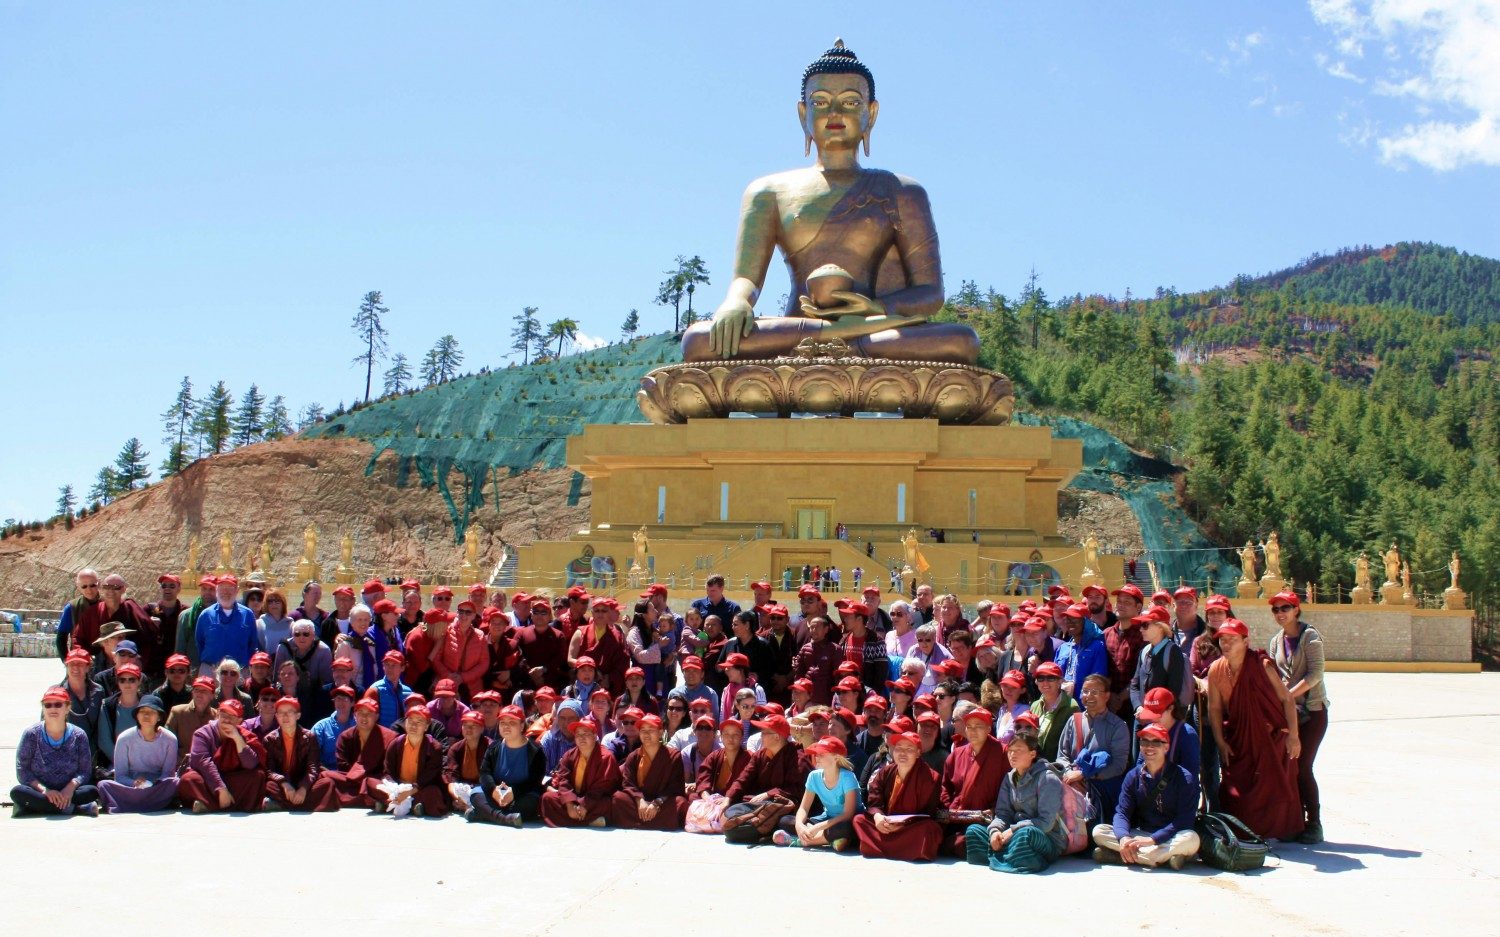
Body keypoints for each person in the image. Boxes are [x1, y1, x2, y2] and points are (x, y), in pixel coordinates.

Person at [1207, 618, 1304, 841]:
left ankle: (1279, 831)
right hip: (1240, 737)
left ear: (1246, 641)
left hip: (1270, 737)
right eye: (1222, 639)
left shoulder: (1261, 665)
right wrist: (1221, 742)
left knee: (1273, 786)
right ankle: (1243, 831)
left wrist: (1294, 736)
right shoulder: (1216, 669)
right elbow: (1214, 709)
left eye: (1232, 639)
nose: (1226, 644)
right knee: (1235, 788)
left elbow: (1287, 700)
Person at [1265, 591, 1327, 844]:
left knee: (1303, 767)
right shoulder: (1276, 641)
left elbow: (1316, 674)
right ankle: (1293, 821)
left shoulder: (1310, 636)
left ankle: (1314, 822)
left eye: (1285, 608)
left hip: (1312, 711)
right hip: (1287, 713)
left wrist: (1288, 695)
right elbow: (1273, 675)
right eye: (1276, 609)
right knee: (1287, 768)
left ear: (1296, 610)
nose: (1281, 613)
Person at [1092, 723, 1200, 868]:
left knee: (1192, 839)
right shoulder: (1133, 776)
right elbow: (1122, 813)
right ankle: (1161, 858)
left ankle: (1126, 856)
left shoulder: (1184, 778)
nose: (1149, 747)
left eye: (1156, 742)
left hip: (1170, 837)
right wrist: (1124, 838)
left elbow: (1184, 820)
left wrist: (1153, 840)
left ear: (1166, 747)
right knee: (1099, 831)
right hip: (1141, 834)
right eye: (1144, 742)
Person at [964, 731, 1067, 874]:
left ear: (1032, 754)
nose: (1012, 755)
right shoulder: (1009, 778)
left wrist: (1013, 830)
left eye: (1018, 750)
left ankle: (1003, 856)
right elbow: (1003, 814)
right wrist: (995, 832)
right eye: (1010, 751)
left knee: (1026, 835)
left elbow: (1046, 823)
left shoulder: (1047, 779)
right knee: (973, 831)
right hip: (1013, 835)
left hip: (1044, 838)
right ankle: (1014, 856)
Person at [854, 730, 944, 860]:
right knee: (859, 820)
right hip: (885, 825)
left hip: (910, 828)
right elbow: (874, 800)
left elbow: (928, 813)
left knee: (930, 829)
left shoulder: (931, 777)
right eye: (899, 748)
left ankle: (879, 848)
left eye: (909, 749)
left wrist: (900, 825)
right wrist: (878, 816)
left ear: (918, 753)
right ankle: (905, 851)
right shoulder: (884, 772)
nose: (902, 753)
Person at [1053, 674, 1131, 823]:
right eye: (1085, 691)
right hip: (1072, 787)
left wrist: (1084, 775)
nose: (1089, 696)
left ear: (1107, 696)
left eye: (1095, 692)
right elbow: (1062, 755)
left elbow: (1118, 766)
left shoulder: (1118, 726)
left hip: (1102, 792)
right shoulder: (1073, 720)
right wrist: (1070, 773)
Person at [13, 688, 100, 816]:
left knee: (91, 791)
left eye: (58, 704)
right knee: (18, 792)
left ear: (67, 707)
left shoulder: (79, 735)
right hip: (40, 791)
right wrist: (44, 791)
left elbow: (84, 771)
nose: (53, 709)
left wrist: (70, 788)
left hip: (69, 791)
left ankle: (33, 808)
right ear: (43, 709)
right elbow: (22, 770)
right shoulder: (31, 734)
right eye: (48, 705)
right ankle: (74, 809)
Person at [938, 707, 1008, 856]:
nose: (972, 730)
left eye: (978, 726)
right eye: (969, 726)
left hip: (988, 819)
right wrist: (946, 810)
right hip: (956, 818)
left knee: (970, 838)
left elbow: (1011, 788)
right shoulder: (957, 754)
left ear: (989, 728)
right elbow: (946, 787)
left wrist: (996, 810)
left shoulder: (1003, 753)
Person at [178, 699, 267, 813]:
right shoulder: (202, 734)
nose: (226, 720)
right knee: (189, 779)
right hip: (209, 779)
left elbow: (251, 765)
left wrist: (237, 739)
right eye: (223, 715)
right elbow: (203, 763)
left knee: (257, 776)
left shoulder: (244, 735)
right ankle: (231, 803)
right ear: (217, 715)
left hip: (231, 777)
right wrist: (221, 788)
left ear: (239, 721)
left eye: (232, 717)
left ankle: (208, 805)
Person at [774, 735, 860, 850]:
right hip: (827, 819)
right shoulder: (814, 776)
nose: (816, 757)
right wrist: (799, 825)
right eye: (816, 753)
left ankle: (802, 841)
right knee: (785, 821)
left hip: (846, 820)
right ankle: (829, 840)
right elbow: (804, 808)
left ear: (836, 757)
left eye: (822, 754)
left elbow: (847, 815)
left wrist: (817, 827)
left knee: (846, 828)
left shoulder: (848, 777)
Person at [96, 694, 178, 813]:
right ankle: (153, 803)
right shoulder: (124, 738)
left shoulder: (170, 739)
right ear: (137, 715)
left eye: (151, 712)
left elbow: (168, 774)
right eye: (142, 711)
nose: (146, 715)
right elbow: (120, 776)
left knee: (175, 783)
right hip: (131, 786)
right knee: (104, 785)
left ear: (159, 717)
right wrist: (134, 783)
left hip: (157, 786)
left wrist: (154, 783)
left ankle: (132, 803)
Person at [262, 697, 340, 812]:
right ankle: (305, 805)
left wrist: (303, 788)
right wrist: (284, 783)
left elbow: (313, 767)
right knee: (268, 786)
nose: (285, 716)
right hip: (283, 785)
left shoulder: (309, 737)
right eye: (281, 713)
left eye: (289, 712)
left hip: (303, 781)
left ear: (298, 715)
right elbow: (269, 770)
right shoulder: (269, 739)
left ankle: (283, 805)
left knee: (327, 783)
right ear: (276, 716)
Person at [611, 713, 688, 830]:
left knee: (680, 803)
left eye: (651, 730)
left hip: (662, 801)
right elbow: (628, 783)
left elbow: (675, 786)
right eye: (643, 730)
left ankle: (638, 822)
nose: (646, 734)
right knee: (618, 798)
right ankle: (658, 822)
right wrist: (640, 801)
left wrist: (656, 803)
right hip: (639, 802)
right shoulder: (634, 756)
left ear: (661, 732)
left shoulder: (673, 756)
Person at [541, 716, 621, 827]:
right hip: (574, 798)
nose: (581, 738)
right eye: (578, 734)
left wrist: (585, 805)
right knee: (547, 798)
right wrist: (569, 804)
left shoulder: (606, 757)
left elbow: (602, 787)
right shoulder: (569, 755)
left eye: (586, 734)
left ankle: (575, 820)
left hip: (595, 800)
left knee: (612, 803)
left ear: (594, 736)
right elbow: (564, 781)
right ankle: (591, 821)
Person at [324, 698, 397, 808]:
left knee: (374, 783)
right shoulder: (346, 736)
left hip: (377, 779)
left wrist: (368, 778)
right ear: (355, 716)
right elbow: (342, 765)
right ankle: (373, 799)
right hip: (351, 779)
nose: (364, 717)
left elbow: (390, 768)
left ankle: (370, 797)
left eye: (369, 713)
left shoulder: (390, 737)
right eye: (360, 713)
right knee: (326, 775)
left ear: (377, 716)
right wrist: (359, 777)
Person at [377, 705, 448, 817]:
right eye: (410, 721)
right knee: (371, 783)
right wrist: (395, 788)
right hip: (397, 787)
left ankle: (388, 803)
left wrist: (408, 792)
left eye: (419, 722)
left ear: (426, 726)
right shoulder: (395, 744)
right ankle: (414, 805)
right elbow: (388, 771)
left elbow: (429, 777)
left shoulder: (434, 747)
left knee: (433, 793)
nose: (413, 725)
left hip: (420, 788)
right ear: (405, 723)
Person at [194, 576, 259, 675]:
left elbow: (252, 644)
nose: (226, 592)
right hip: (210, 670)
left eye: (230, 588)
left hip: (239, 672)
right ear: (216, 590)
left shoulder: (248, 614)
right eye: (222, 588)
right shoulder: (206, 615)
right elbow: (200, 642)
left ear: (237, 591)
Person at [1128, 607, 1186, 716]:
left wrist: (1152, 713)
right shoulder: (1144, 652)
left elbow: (1173, 692)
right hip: (1141, 717)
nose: (1141, 629)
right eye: (1141, 625)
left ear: (1160, 627)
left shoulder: (1173, 652)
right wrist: (1138, 708)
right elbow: (1134, 686)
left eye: (1145, 625)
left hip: (1162, 721)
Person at [1104, 585, 1147, 721]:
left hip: (1133, 707)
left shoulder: (1144, 636)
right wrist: (1109, 695)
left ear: (1138, 607)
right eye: (1119, 601)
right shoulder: (1107, 634)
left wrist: (1120, 698)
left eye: (1127, 602)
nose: (1121, 605)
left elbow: (1141, 674)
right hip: (1106, 704)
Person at [1055, 602, 1108, 702]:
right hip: (1061, 705)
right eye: (1067, 619)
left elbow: (1098, 680)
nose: (1070, 622)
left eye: (1074, 619)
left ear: (1086, 622)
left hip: (1084, 706)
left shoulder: (1097, 647)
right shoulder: (1062, 648)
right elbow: (1054, 676)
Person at [443, 710, 492, 816]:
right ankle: (466, 806)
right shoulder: (456, 748)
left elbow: (492, 777)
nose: (468, 729)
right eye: (465, 725)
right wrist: (456, 797)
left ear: (482, 728)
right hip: (463, 788)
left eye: (473, 726)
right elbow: (451, 776)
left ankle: (471, 807)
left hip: (482, 788)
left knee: (481, 795)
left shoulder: (490, 747)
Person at [1029, 661, 1080, 761]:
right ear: (1036, 682)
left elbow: (1075, 744)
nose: (1045, 682)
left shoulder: (1072, 707)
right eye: (1041, 678)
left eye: (1051, 678)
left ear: (1060, 681)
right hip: (1035, 766)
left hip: (1057, 768)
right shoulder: (1034, 706)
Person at [792, 616, 843, 705]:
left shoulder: (834, 649)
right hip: (808, 698)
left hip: (827, 697)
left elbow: (837, 677)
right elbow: (799, 674)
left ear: (826, 629)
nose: (814, 630)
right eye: (811, 627)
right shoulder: (805, 648)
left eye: (817, 627)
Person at [311, 685, 357, 769]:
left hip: (353, 774)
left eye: (345, 699)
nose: (341, 702)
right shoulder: (321, 727)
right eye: (338, 699)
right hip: (326, 774)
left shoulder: (359, 726)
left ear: (352, 703)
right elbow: (312, 757)